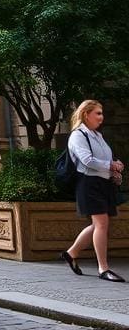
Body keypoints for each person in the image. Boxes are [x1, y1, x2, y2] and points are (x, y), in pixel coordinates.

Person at [61, 100, 125, 282]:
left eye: (101, 113)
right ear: (86, 114)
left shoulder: (97, 135)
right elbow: (87, 160)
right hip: (88, 184)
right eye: (97, 113)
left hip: (102, 184)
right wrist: (110, 165)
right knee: (102, 224)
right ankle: (103, 268)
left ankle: (71, 253)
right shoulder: (78, 135)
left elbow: (105, 159)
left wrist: (114, 168)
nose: (101, 117)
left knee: (100, 225)